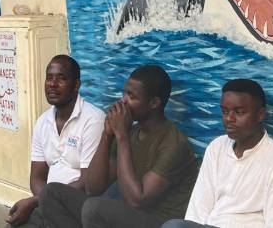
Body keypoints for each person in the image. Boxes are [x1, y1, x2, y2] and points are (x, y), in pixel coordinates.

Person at [38, 65, 198, 228]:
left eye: (131, 96)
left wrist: (121, 137)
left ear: (154, 103)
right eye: (124, 93)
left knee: (94, 209)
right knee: (51, 194)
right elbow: (93, 188)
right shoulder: (130, 132)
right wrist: (107, 135)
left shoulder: (174, 144)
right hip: (125, 212)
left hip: (157, 221)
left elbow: (137, 200)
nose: (123, 101)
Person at [162, 79, 273, 228]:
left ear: (260, 114)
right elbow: (198, 211)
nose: (229, 118)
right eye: (224, 111)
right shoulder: (216, 148)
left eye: (239, 112)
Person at [6, 55, 104, 227]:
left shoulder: (93, 120)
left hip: (79, 206)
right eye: (49, 78)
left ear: (76, 86)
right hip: (47, 203)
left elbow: (88, 182)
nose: (52, 84)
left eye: (61, 78)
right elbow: (36, 177)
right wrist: (41, 202)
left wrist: (35, 201)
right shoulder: (43, 121)